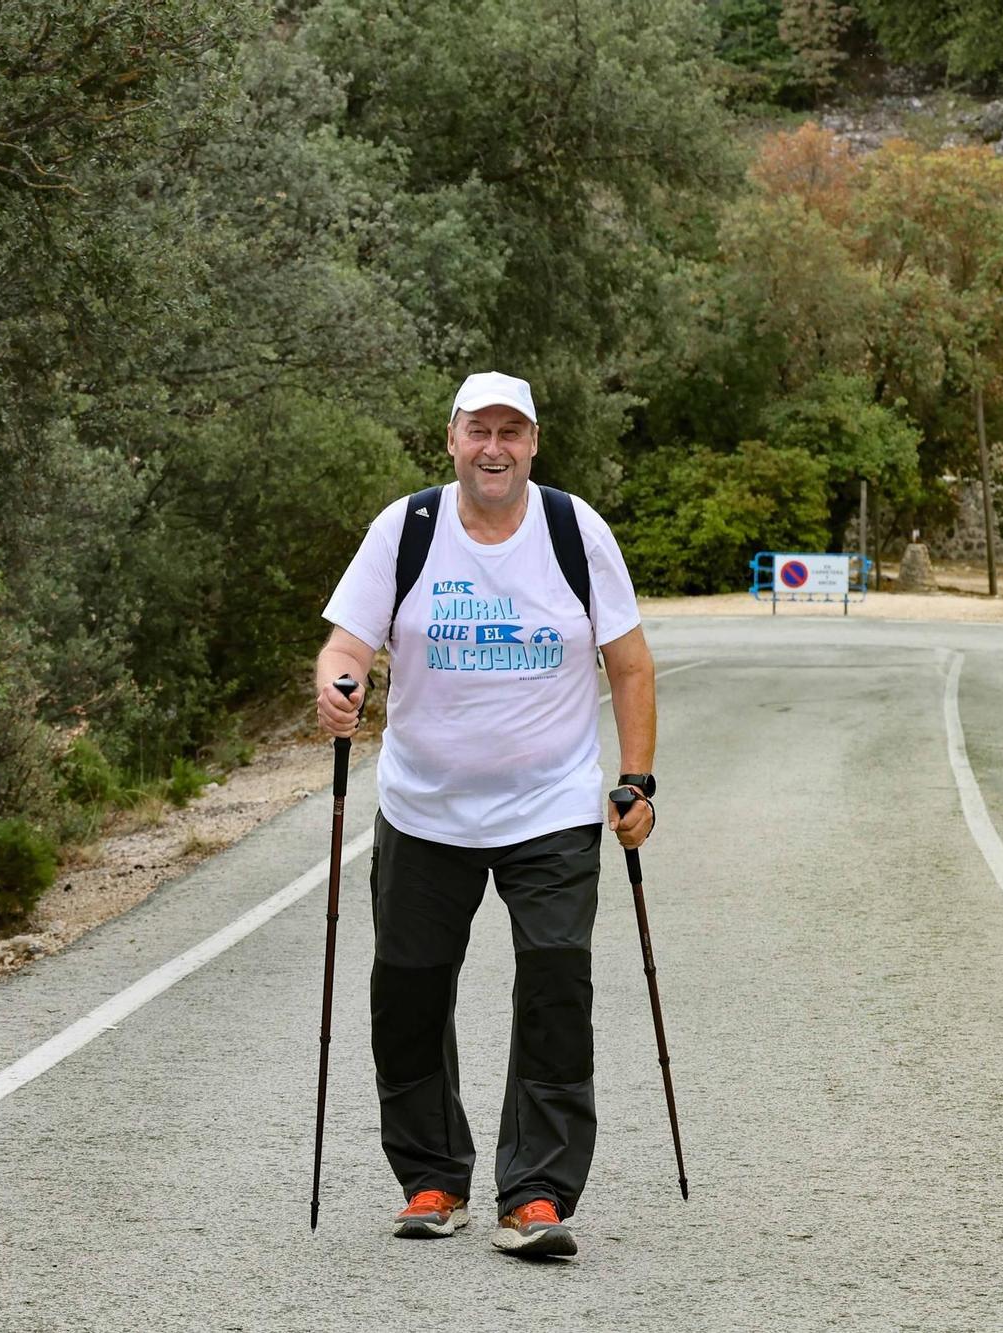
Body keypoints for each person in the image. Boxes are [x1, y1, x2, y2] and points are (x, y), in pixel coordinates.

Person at [315, 370, 655, 1260]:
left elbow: (629, 664)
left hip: (551, 806)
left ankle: (536, 1193)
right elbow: (349, 640)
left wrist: (637, 781)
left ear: (533, 443)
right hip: (424, 808)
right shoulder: (407, 528)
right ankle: (433, 1178)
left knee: (555, 986)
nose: (493, 448)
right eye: (479, 430)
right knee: (410, 990)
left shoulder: (575, 531)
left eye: (511, 431)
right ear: (453, 438)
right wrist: (338, 684)